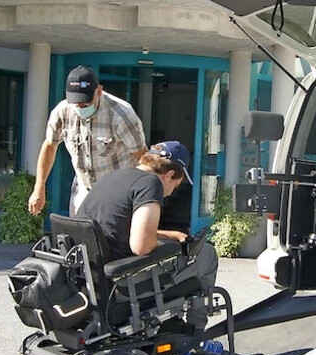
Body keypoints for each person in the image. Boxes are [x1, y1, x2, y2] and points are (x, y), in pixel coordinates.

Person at [76, 141, 218, 292]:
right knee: (206, 253)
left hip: (88, 276)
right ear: (169, 175)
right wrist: (170, 247)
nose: (170, 193)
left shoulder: (112, 176)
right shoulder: (151, 183)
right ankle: (198, 316)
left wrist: (170, 235)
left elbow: (116, 227)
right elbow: (141, 246)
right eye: (175, 186)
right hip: (122, 281)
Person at [28, 65, 148, 217]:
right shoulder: (62, 111)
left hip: (119, 194)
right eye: (75, 103)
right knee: (79, 237)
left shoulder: (122, 115)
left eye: (85, 103)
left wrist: (142, 199)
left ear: (99, 91)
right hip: (83, 190)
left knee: (111, 240)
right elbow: (50, 146)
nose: (79, 107)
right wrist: (39, 187)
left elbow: (143, 159)